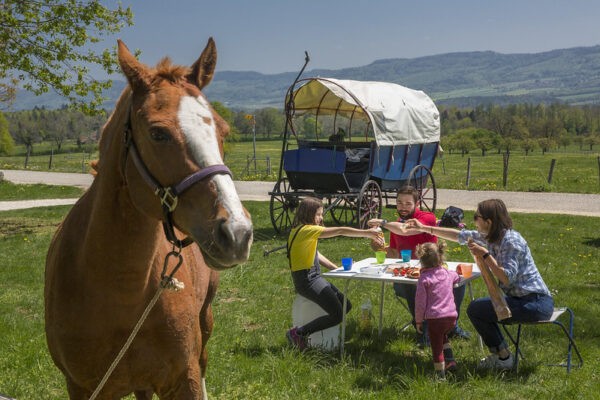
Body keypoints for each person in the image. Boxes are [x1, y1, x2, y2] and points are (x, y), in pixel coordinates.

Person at [406, 199, 554, 371]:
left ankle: (503, 358)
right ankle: (503, 355)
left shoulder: (510, 241)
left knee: (477, 310)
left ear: (488, 221)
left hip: (535, 303)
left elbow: (506, 278)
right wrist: (423, 228)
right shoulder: (491, 235)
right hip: (521, 299)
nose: (474, 220)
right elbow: (458, 236)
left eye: (477, 216)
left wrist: (485, 256)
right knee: (477, 308)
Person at [368, 186, 471, 346]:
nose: (402, 207)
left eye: (408, 203)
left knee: (458, 284)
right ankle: (423, 330)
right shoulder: (395, 226)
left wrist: (383, 222)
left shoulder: (426, 218)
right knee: (413, 286)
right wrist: (379, 248)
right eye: (399, 203)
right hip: (408, 276)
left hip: (433, 272)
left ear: (417, 204)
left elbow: (405, 231)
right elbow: (393, 254)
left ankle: (451, 326)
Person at [286, 197, 381, 350]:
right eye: (318, 214)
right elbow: (340, 230)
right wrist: (366, 233)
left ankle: (307, 333)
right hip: (306, 280)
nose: (321, 218)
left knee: (345, 305)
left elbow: (315, 253)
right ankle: (298, 333)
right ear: (308, 213)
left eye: (321, 214)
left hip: (314, 277)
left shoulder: (302, 231)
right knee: (338, 314)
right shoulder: (306, 230)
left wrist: (334, 268)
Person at [414, 241, 460, 379]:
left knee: (436, 347)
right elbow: (456, 277)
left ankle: (440, 376)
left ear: (421, 261)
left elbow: (420, 302)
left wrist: (418, 320)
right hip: (451, 317)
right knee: (443, 336)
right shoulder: (447, 273)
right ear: (440, 257)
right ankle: (450, 361)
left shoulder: (424, 278)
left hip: (435, 318)